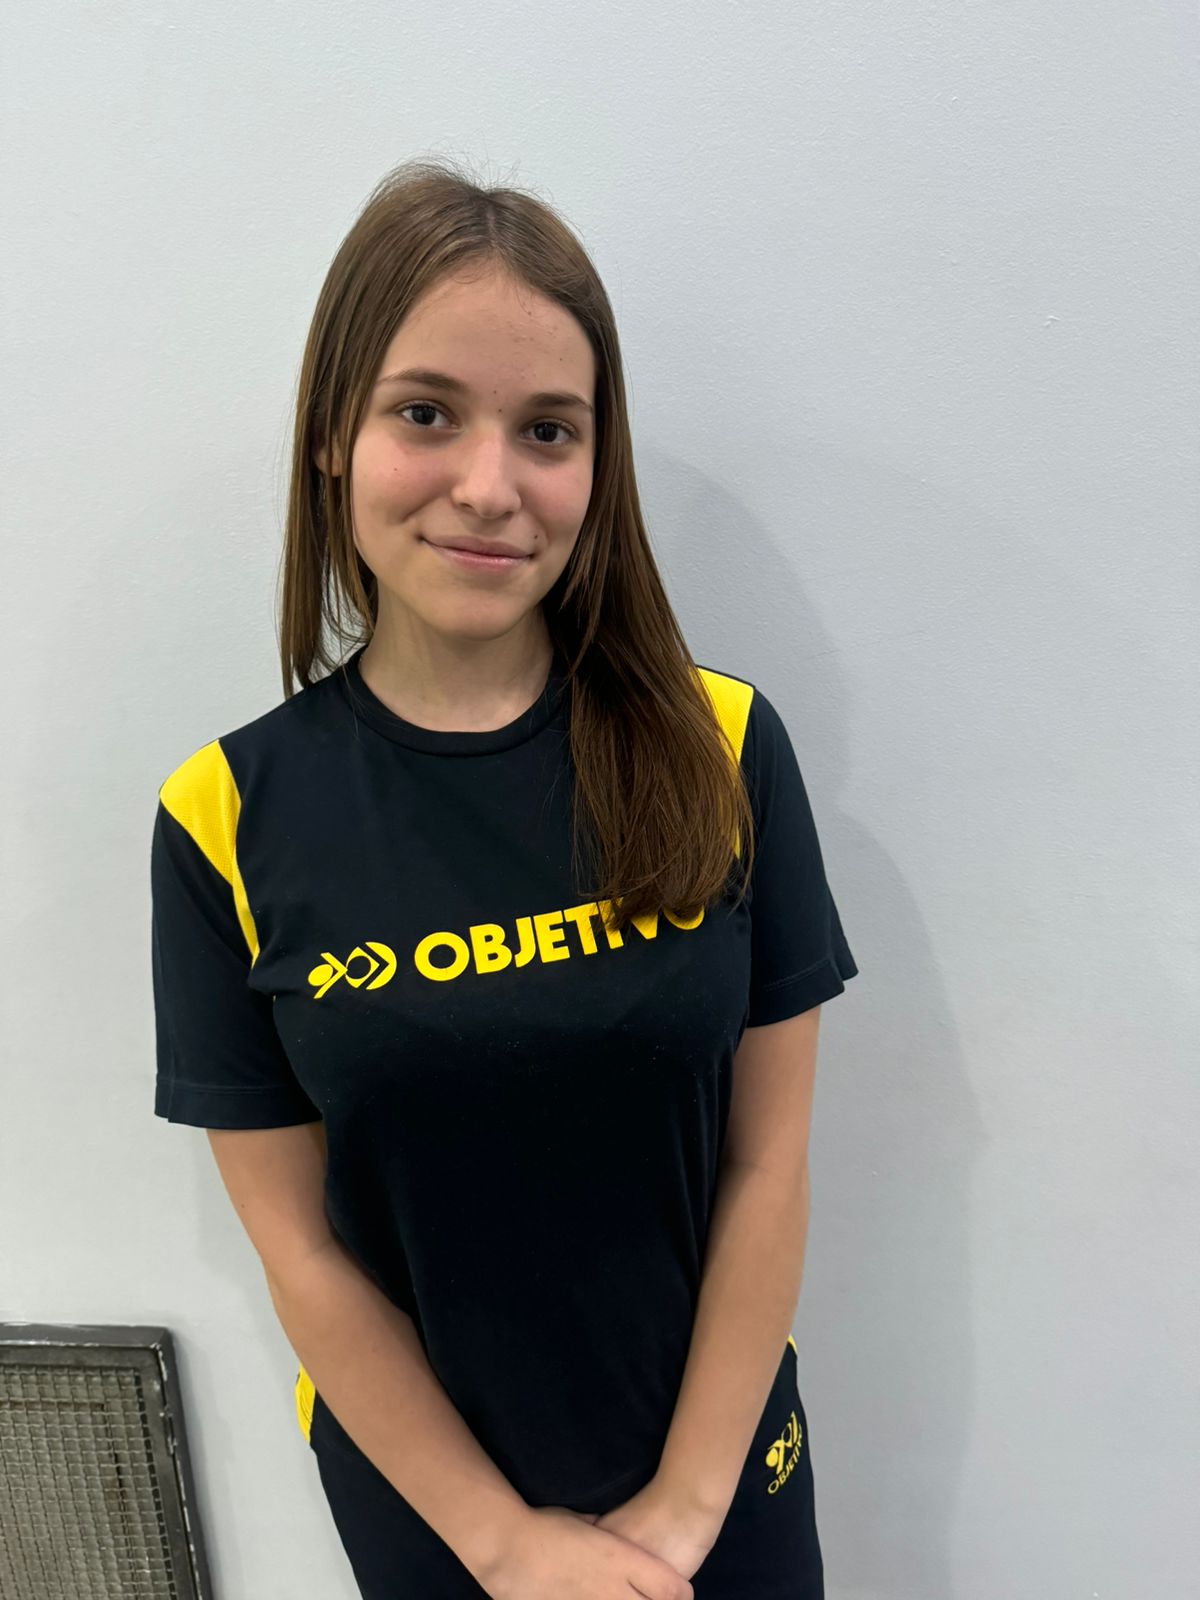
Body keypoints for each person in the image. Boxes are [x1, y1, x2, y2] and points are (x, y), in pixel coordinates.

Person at [150, 156, 858, 1600]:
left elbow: (767, 1163)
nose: (490, 486)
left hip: (721, 1481)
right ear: (334, 435)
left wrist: (684, 1512)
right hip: (436, 1510)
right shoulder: (223, 816)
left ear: (598, 463)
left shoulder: (724, 748)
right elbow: (302, 1251)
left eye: (548, 430)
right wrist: (504, 1543)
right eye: (425, 413)